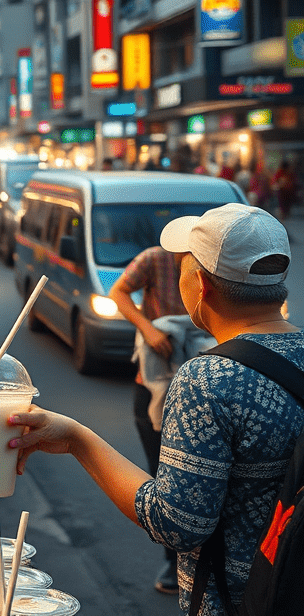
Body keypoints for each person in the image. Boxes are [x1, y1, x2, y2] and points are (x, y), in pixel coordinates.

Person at [12, 203, 302, 616]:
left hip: (246, 599)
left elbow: (177, 524)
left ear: (201, 284)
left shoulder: (208, 380)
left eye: (183, 266)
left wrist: (78, 439)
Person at [109, 246, 215, 594]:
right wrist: (149, 329)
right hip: (155, 378)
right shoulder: (153, 259)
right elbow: (117, 291)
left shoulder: (211, 268)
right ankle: (174, 561)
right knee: (164, 475)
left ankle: (204, 559)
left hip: (199, 371)